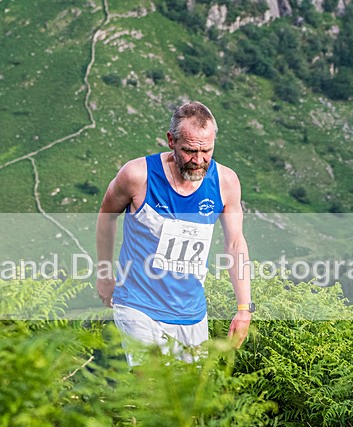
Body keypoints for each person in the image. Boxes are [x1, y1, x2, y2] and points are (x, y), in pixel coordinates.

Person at [96, 101, 253, 366]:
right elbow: (106, 217)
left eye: (207, 151)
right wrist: (104, 274)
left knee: (185, 403)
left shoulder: (226, 182)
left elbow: (235, 243)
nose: (199, 160)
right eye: (190, 151)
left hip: (191, 311)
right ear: (171, 140)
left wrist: (244, 308)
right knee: (155, 391)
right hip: (137, 304)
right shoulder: (136, 175)